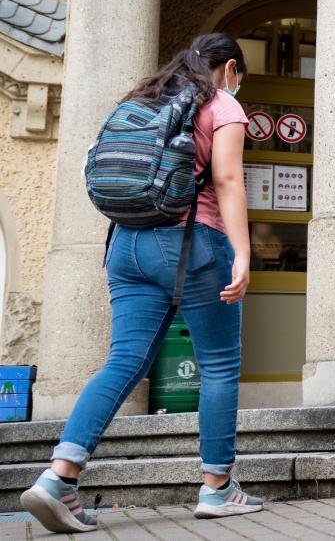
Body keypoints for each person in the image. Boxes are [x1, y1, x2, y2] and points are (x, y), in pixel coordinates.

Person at [21, 34, 262, 532]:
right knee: (218, 364)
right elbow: (228, 180)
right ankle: (218, 488)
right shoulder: (220, 106)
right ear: (231, 68)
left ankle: (58, 477)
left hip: (125, 245)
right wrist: (242, 251)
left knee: (124, 361)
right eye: (240, 77)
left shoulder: (140, 100)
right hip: (192, 242)